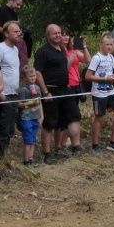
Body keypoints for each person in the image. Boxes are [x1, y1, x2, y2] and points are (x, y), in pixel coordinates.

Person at [34, 24, 81, 164]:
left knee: (74, 115)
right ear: (48, 35)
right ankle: (47, 154)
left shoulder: (62, 49)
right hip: (51, 91)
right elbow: (37, 73)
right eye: (55, 33)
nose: (58, 35)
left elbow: (64, 68)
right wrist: (45, 92)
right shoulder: (42, 52)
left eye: (59, 33)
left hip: (65, 90)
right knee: (50, 122)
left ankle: (76, 146)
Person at [85, 33, 114, 152]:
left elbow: (112, 72)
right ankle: (95, 145)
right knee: (99, 117)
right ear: (101, 44)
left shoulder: (111, 57)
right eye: (107, 44)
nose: (109, 47)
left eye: (111, 44)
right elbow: (88, 76)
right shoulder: (96, 58)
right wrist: (105, 79)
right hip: (98, 93)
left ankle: (113, 143)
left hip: (111, 91)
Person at [0, 22, 24, 156]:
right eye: (15, 32)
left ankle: (4, 154)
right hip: (4, 94)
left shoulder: (15, 49)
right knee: (3, 127)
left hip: (14, 94)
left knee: (11, 128)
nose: (19, 34)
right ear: (6, 33)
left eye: (19, 31)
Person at [18, 65, 44, 165]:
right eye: (30, 76)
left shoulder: (37, 88)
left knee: (33, 140)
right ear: (25, 77)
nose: (33, 78)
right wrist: (30, 103)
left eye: (34, 76)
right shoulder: (23, 89)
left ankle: (31, 159)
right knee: (28, 140)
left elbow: (39, 102)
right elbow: (20, 104)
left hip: (35, 117)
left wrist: (41, 116)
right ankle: (26, 161)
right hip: (26, 118)